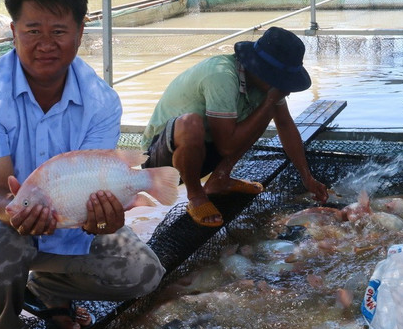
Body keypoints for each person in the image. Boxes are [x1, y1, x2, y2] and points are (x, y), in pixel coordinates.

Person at [0, 0, 166, 329]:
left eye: (59, 31)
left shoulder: (101, 101)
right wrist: (14, 212)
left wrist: (106, 219)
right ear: (12, 30)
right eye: (32, 31)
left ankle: (46, 292)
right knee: (3, 242)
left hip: (68, 212)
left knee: (145, 275)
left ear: (82, 31)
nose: (45, 44)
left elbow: (99, 182)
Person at [141, 26, 330, 228]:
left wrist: (306, 176)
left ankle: (220, 180)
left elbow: (285, 125)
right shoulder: (221, 75)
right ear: (264, 70)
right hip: (161, 161)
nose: (283, 87)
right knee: (192, 123)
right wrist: (269, 102)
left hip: (203, 151)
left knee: (265, 113)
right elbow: (226, 146)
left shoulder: (263, 86)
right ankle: (196, 196)